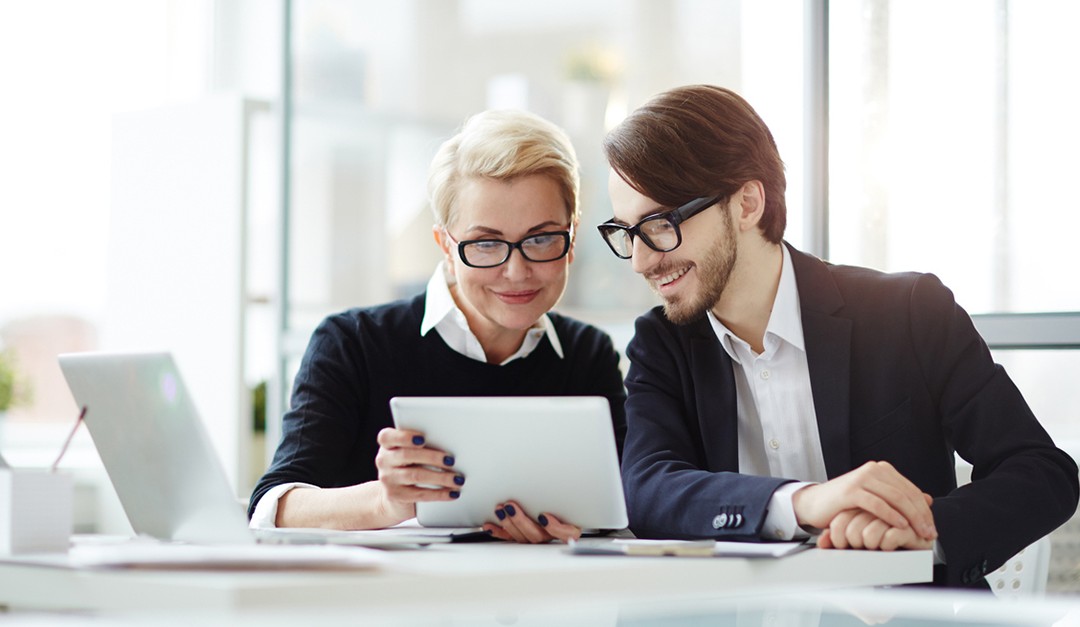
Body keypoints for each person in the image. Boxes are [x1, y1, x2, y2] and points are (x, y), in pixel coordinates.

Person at [597, 84, 1078, 587]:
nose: (640, 260)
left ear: (746, 203)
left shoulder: (909, 312)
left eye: (658, 224)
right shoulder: (662, 344)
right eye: (626, 232)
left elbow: (1042, 472)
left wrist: (921, 532)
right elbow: (648, 487)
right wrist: (802, 501)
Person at [249, 109, 627, 544]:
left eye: (541, 239)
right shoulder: (354, 343)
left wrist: (579, 527)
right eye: (486, 243)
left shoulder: (587, 354)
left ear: (572, 238)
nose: (517, 270)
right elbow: (272, 505)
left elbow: (619, 504)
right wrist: (385, 504)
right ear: (445, 245)